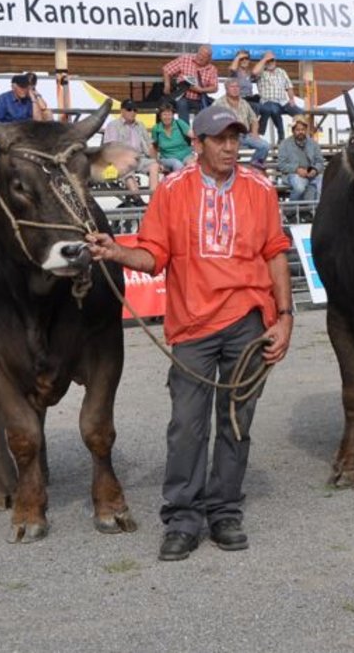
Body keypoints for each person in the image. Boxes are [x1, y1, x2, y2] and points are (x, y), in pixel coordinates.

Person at [84, 106, 295, 562]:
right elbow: (154, 256)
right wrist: (117, 252)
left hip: (248, 321)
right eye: (219, 139)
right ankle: (182, 517)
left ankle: (224, 512)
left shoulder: (260, 188)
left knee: (236, 422)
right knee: (186, 426)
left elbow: (275, 252)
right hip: (193, 325)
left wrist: (285, 317)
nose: (230, 147)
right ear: (196, 144)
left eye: (235, 138)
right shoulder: (173, 191)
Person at [101, 100, 157, 201]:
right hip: (122, 159)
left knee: (154, 165)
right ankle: (138, 200)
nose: (132, 112)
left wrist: (156, 159)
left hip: (140, 158)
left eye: (135, 110)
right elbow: (111, 148)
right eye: (129, 109)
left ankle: (154, 200)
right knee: (127, 172)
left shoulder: (140, 125)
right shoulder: (113, 125)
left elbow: (149, 145)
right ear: (122, 111)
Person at [210, 79, 271, 168]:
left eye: (237, 87)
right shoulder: (218, 103)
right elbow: (211, 121)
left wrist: (255, 133)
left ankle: (254, 168)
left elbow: (254, 120)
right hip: (227, 137)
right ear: (226, 89)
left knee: (264, 146)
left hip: (245, 136)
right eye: (232, 87)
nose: (235, 89)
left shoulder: (244, 103)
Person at [253, 51, 305, 142]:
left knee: (300, 112)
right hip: (268, 101)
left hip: (283, 102)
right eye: (268, 61)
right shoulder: (261, 72)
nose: (270, 62)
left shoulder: (281, 71)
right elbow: (254, 72)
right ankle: (281, 137)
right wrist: (265, 59)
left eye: (272, 60)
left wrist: (292, 99)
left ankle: (300, 136)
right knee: (274, 110)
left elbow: (289, 86)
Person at [161, 45, 219, 122]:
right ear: (197, 52)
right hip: (182, 96)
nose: (200, 58)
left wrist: (201, 90)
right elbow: (166, 69)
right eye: (200, 54)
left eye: (204, 57)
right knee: (182, 103)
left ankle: (204, 131)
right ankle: (186, 131)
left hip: (199, 99)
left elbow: (214, 88)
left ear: (209, 59)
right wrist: (167, 85)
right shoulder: (185, 59)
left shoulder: (212, 69)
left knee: (214, 105)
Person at [276, 119, 325, 201]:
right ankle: (290, 210)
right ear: (293, 131)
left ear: (306, 130)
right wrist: (297, 170)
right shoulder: (284, 144)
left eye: (302, 129)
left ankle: (316, 210)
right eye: (298, 130)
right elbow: (281, 165)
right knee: (300, 187)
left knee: (322, 183)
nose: (300, 132)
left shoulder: (313, 143)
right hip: (293, 174)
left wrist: (315, 170)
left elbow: (320, 161)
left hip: (311, 174)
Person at [151, 103, 196, 178]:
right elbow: (154, 147)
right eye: (164, 114)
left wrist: (197, 155)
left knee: (192, 165)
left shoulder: (179, 123)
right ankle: (182, 188)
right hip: (167, 158)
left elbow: (194, 136)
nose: (167, 117)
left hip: (186, 155)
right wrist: (156, 163)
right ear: (160, 116)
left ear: (173, 115)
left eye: (169, 114)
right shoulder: (156, 129)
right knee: (177, 164)